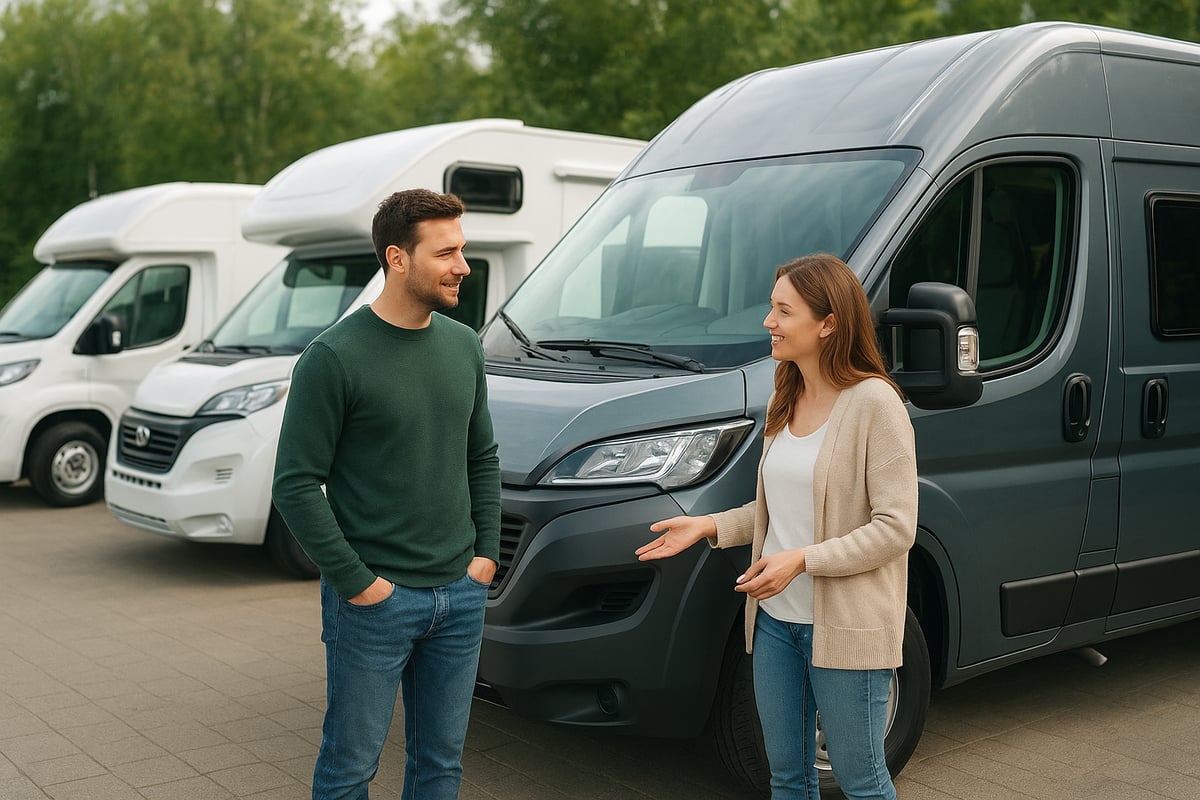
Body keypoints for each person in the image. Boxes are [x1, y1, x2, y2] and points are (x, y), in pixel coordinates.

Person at [636, 253, 917, 800]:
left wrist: (802, 560)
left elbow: (895, 527)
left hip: (846, 630)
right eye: (772, 308)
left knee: (861, 781)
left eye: (784, 311)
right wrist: (707, 526)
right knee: (786, 778)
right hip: (774, 625)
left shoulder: (875, 403)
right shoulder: (785, 398)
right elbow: (776, 511)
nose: (769, 322)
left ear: (828, 323)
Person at [272, 189, 500, 800]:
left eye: (462, 250)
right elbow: (295, 483)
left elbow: (481, 456)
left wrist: (485, 556)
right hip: (375, 603)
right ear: (397, 259)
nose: (463, 266)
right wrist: (358, 583)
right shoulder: (333, 357)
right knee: (350, 770)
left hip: (460, 594)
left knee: (440, 766)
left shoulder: (464, 345)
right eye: (446, 253)